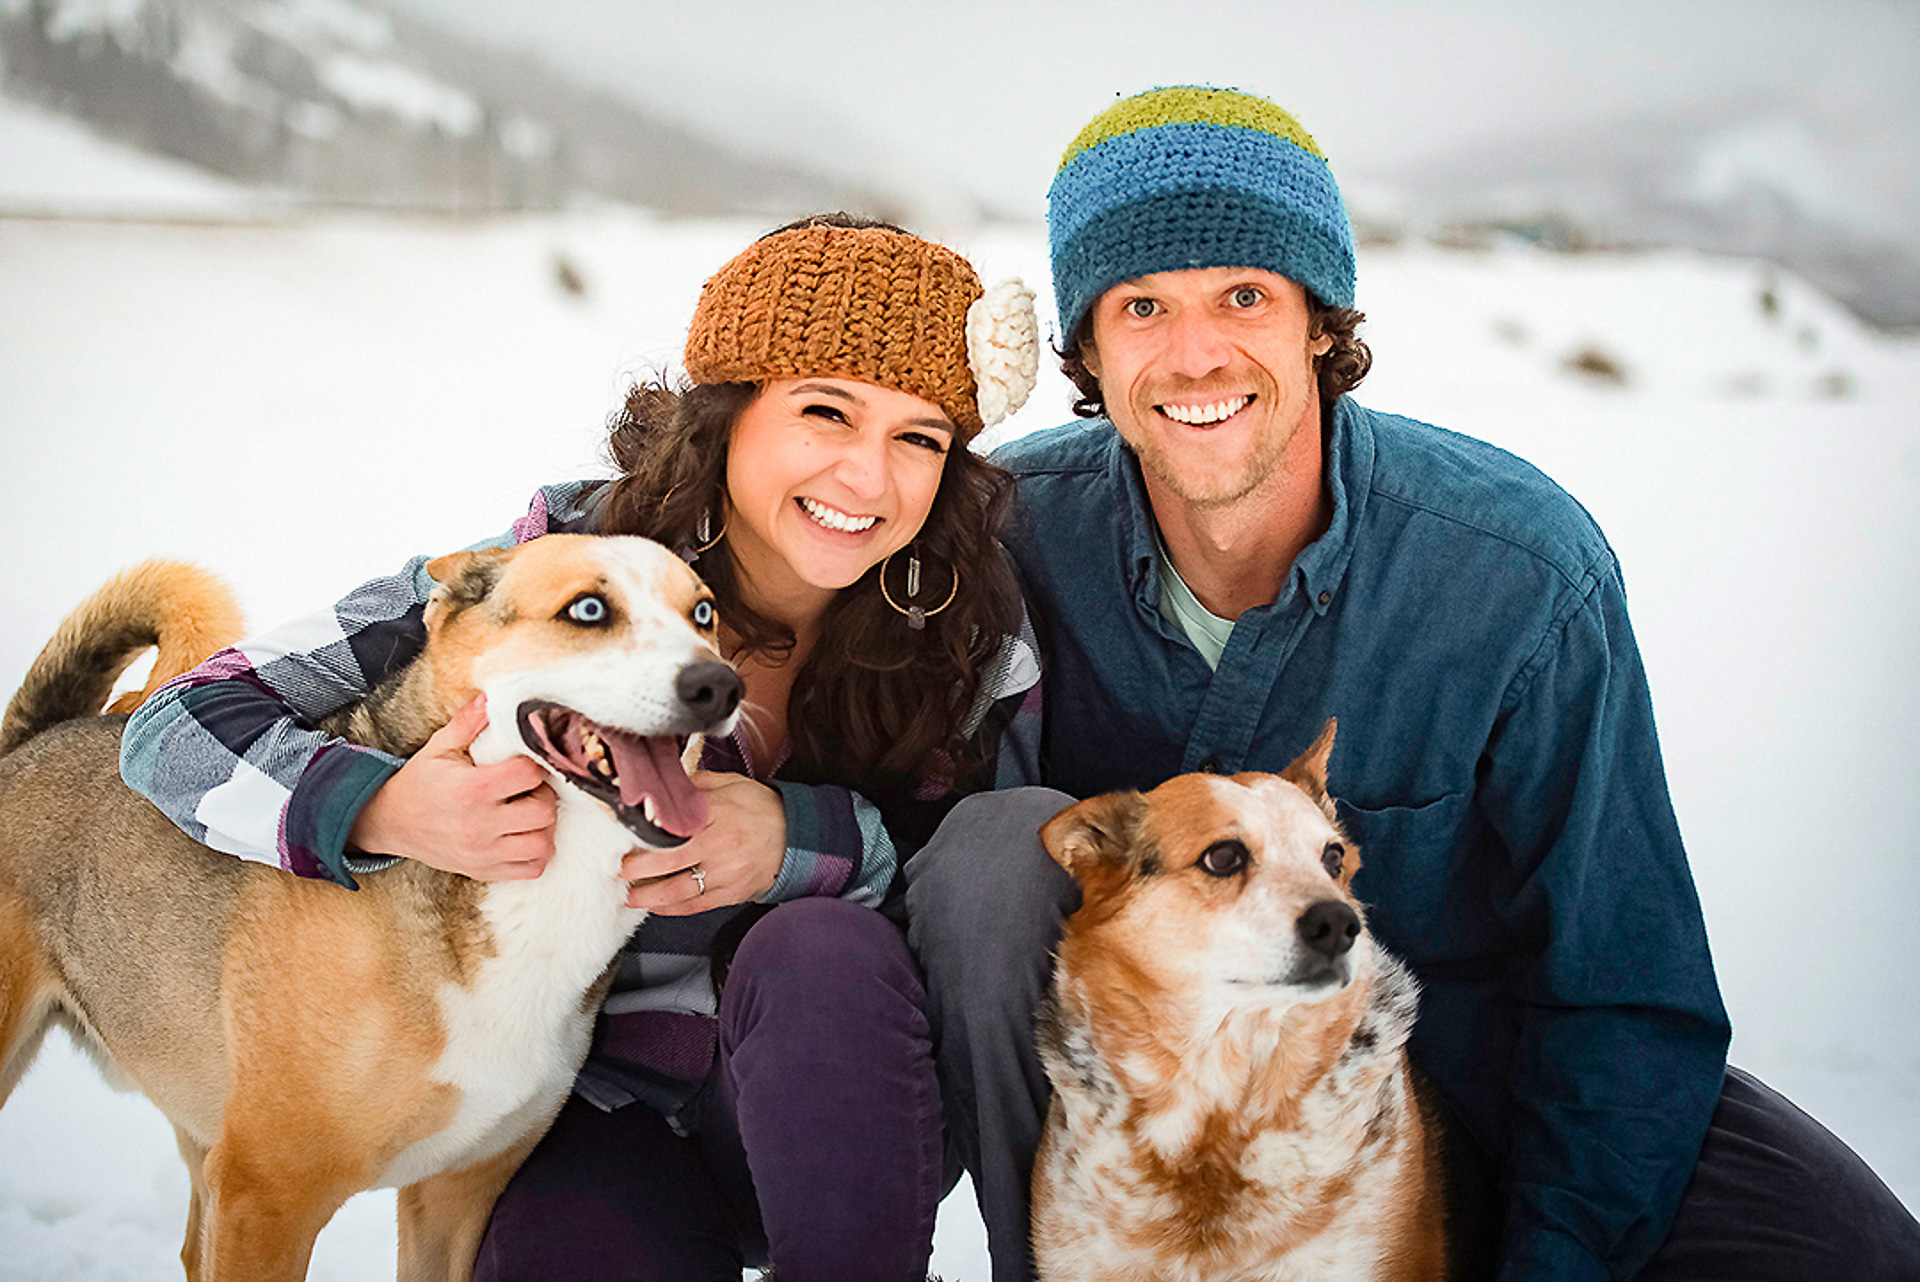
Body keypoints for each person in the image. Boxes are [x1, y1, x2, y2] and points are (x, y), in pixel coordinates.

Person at [904, 86, 1920, 1281]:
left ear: (1320, 326)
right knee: (985, 859)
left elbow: (1622, 979)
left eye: (1245, 295)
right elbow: (783, 589)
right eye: (1141, 305)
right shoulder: (1003, 540)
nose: (1196, 354)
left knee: (1852, 1250)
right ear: (1088, 345)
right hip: (1146, 1111)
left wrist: (1555, 1257)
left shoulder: (1518, 571)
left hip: (1486, 1068)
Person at [120, 214, 1046, 1282]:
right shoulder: (550, 565)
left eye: (919, 439)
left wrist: (802, 837)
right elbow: (180, 722)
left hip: (831, 1114)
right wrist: (378, 808)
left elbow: (970, 890)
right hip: (585, 1105)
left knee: (818, 951)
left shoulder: (969, 633)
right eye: (824, 412)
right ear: (728, 416)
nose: (867, 479)